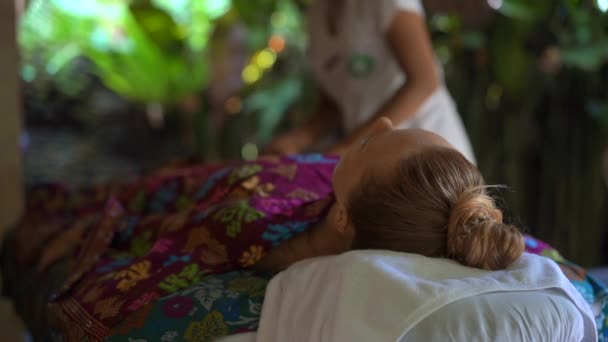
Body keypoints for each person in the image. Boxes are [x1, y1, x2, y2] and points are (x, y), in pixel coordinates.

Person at [257, 117, 522, 271]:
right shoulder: (489, 238)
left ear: (341, 217)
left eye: (366, 144)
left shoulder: (253, 234)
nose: (382, 122)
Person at [265, 0, 476, 164]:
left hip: (427, 154)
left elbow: (425, 81)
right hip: (374, 163)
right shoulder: (317, 15)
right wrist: (297, 140)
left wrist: (349, 147)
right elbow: (333, 103)